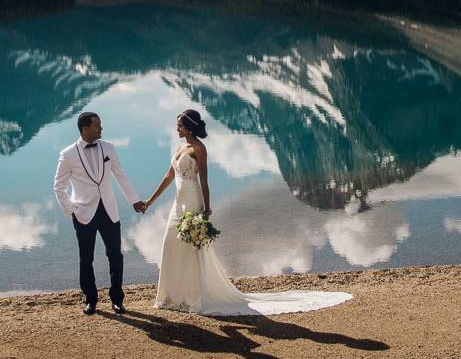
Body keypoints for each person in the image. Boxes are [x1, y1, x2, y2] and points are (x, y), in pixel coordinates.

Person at [140, 108, 352, 317]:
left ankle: (192, 298)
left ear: (188, 128)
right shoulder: (179, 147)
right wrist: (149, 201)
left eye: (179, 125)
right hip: (177, 204)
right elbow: (169, 177)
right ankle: (170, 296)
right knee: (171, 245)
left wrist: (206, 209)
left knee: (192, 250)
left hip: (193, 201)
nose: (176, 128)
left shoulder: (199, 149)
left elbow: (204, 181)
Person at [52, 111, 144, 315]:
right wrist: (71, 211)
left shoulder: (108, 147)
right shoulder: (68, 154)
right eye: (97, 126)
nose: (101, 129)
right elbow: (59, 187)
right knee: (86, 258)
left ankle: (117, 299)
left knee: (115, 255)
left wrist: (134, 200)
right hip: (83, 213)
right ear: (85, 129)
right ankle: (90, 300)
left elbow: (120, 175)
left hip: (109, 211)